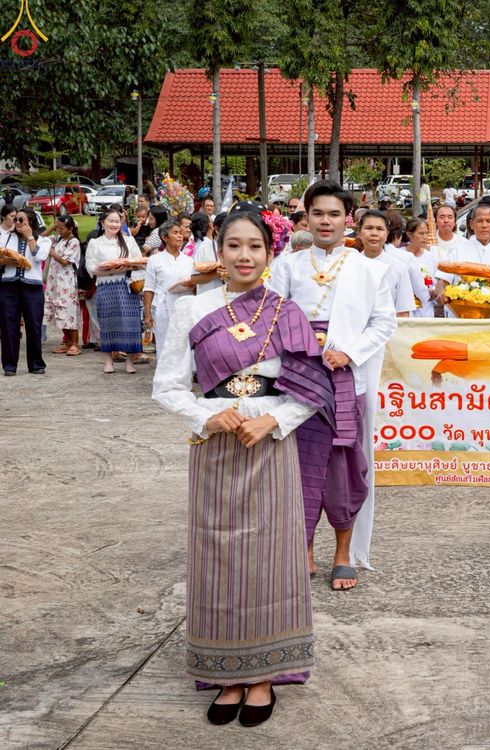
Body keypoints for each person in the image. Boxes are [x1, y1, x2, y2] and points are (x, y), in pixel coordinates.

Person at [152, 211, 338, 727]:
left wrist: (273, 421)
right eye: (233, 245)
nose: (244, 256)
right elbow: (167, 386)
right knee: (219, 554)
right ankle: (226, 673)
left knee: (270, 555)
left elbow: (312, 388)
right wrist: (207, 416)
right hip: (215, 443)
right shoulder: (192, 309)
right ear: (219, 250)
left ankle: (263, 675)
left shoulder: (288, 313)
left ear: (270, 253)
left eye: (255, 246)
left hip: (270, 446)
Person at [267, 180, 397, 587]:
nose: (326, 221)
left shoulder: (369, 268)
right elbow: (270, 318)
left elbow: (384, 323)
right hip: (298, 376)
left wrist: (350, 353)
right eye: (318, 213)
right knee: (297, 465)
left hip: (345, 376)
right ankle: (302, 548)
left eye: (334, 214)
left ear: (349, 220)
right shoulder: (287, 265)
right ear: (306, 217)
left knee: (344, 467)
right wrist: (301, 348)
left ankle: (343, 552)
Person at [434, 203, 490, 317]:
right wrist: (441, 293)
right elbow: (442, 281)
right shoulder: (456, 253)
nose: (484, 225)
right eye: (480, 221)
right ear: (471, 224)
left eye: (488, 221)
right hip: (463, 320)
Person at [85, 208, 145, 374]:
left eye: (117, 221)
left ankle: (130, 361)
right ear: (103, 222)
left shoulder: (129, 241)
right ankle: (108, 360)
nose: (114, 224)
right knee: (107, 323)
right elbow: (90, 267)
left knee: (131, 323)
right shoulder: (95, 243)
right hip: (105, 286)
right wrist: (109, 269)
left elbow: (140, 261)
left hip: (127, 285)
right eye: (110, 221)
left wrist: (125, 265)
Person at [0, 208, 51, 375]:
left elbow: (39, 257)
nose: (18, 223)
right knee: (8, 325)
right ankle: (9, 365)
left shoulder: (43, 240)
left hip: (33, 287)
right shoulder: (5, 237)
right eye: (16, 220)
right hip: (8, 285)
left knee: (34, 325)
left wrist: (30, 237)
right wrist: (5, 260)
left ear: (31, 221)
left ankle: (36, 364)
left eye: (22, 220)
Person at [143, 218, 196, 352]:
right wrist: (148, 314)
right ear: (165, 237)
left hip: (185, 306)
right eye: (175, 233)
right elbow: (148, 288)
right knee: (165, 342)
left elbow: (195, 283)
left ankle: (185, 372)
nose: (179, 236)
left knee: (184, 343)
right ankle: (165, 371)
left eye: (180, 233)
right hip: (162, 308)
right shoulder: (154, 260)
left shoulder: (189, 261)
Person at [356, 210, 416, 317]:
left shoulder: (398, 267)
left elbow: (403, 312)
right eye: (369, 228)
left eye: (380, 229)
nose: (374, 233)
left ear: (387, 234)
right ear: (359, 232)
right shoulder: (349, 264)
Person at [43, 216, 82, 357]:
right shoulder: (59, 239)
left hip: (66, 282)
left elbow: (65, 261)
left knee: (69, 312)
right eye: (58, 228)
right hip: (55, 282)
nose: (59, 231)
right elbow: (41, 238)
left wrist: (52, 253)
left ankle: (75, 343)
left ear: (70, 229)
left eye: (62, 228)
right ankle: (67, 342)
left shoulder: (74, 242)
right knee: (58, 310)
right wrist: (54, 226)